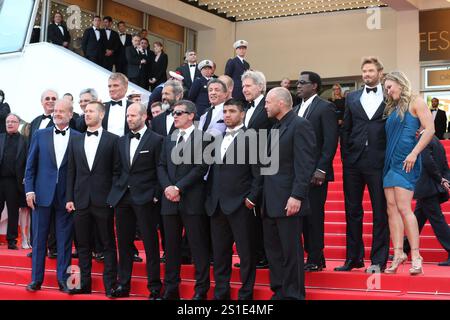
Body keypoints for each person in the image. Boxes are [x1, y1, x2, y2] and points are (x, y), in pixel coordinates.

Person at [336, 57, 390, 273]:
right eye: (364, 71)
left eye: (371, 70)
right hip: (354, 161)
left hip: (379, 160)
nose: (367, 74)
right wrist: (346, 155)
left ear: (379, 72)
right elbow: (346, 127)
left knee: (380, 211)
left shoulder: (389, 96)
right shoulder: (352, 97)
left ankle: (378, 260)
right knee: (352, 210)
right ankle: (354, 258)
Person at [263, 87, 316, 300]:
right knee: (274, 252)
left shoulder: (301, 125)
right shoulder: (274, 128)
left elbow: (304, 165)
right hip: (270, 201)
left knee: (290, 252)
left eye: (268, 102)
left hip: (289, 200)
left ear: (281, 103)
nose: (265, 106)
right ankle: (279, 292)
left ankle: (293, 295)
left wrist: (297, 195)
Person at [205, 99, 261, 300]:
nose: (227, 114)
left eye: (232, 111)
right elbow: (213, 173)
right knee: (220, 255)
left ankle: (246, 294)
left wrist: (252, 199)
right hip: (217, 206)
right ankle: (221, 293)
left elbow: (259, 173)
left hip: (241, 205)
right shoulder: (218, 138)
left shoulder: (253, 137)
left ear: (243, 113)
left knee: (246, 254)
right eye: (225, 111)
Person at [107, 103, 163, 299]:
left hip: (146, 197)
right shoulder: (121, 141)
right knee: (124, 243)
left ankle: (154, 287)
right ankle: (123, 285)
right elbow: (116, 169)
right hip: (123, 197)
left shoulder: (157, 140)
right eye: (127, 116)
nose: (129, 119)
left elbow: (160, 169)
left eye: (133, 115)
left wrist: (155, 194)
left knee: (150, 243)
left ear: (144, 116)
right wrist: (117, 188)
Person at [25, 99, 81, 292]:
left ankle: (64, 281)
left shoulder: (77, 137)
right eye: (55, 111)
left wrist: (75, 196)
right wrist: (29, 190)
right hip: (41, 194)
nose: (57, 113)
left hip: (66, 197)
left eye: (61, 111)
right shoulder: (40, 135)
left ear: (70, 115)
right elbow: (30, 165)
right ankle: (36, 279)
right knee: (39, 239)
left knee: (65, 240)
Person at [158, 100, 211, 300]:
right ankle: (171, 288)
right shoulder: (168, 139)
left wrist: (178, 187)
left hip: (192, 199)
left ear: (191, 116)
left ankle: (201, 290)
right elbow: (161, 166)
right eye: (173, 113)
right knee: (171, 247)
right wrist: (168, 188)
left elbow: (201, 167)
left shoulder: (204, 138)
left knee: (198, 247)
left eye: (180, 113)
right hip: (169, 200)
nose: (175, 116)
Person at [382, 71, 434, 275]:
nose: (388, 91)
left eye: (389, 87)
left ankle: (416, 255)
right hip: (390, 162)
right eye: (386, 88)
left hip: (407, 162)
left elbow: (429, 129)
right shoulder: (394, 107)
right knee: (391, 209)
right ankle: (398, 254)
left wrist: (414, 152)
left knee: (404, 208)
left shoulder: (416, 101)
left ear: (400, 83)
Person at [66, 101, 119, 296]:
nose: (86, 114)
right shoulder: (76, 140)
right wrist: (69, 197)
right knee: (82, 245)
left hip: (104, 201)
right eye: (85, 111)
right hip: (80, 200)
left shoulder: (113, 140)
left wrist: (112, 197)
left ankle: (110, 285)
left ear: (102, 115)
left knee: (108, 244)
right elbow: (71, 171)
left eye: (91, 111)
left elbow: (117, 172)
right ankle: (83, 284)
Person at [294, 71, 338, 272]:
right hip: (297, 173)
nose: (298, 86)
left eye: (303, 83)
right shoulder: (294, 109)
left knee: (314, 216)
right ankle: (314, 256)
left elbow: (330, 141)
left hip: (315, 173)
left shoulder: (325, 107)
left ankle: (315, 256)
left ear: (314, 86)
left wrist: (322, 168)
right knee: (301, 217)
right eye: (298, 83)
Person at [238, 70, 272, 269]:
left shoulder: (267, 106)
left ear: (260, 87)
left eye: (248, 86)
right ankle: (254, 254)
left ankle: (266, 255)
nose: (245, 89)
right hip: (246, 168)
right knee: (250, 216)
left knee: (263, 213)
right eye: (243, 86)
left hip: (265, 167)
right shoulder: (244, 108)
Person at [403, 136, 450, 267]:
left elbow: (428, 162)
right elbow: (445, 164)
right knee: (417, 220)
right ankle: (404, 249)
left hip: (427, 188)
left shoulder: (424, 139)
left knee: (438, 222)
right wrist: (445, 179)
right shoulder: (436, 141)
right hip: (430, 188)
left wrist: (440, 179)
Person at [0, 114, 28, 250]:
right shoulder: (0, 138)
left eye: (13, 121)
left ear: (18, 124)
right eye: (8, 121)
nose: (10, 124)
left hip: (14, 181)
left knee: (13, 212)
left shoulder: (25, 141)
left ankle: (11, 240)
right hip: (0, 180)